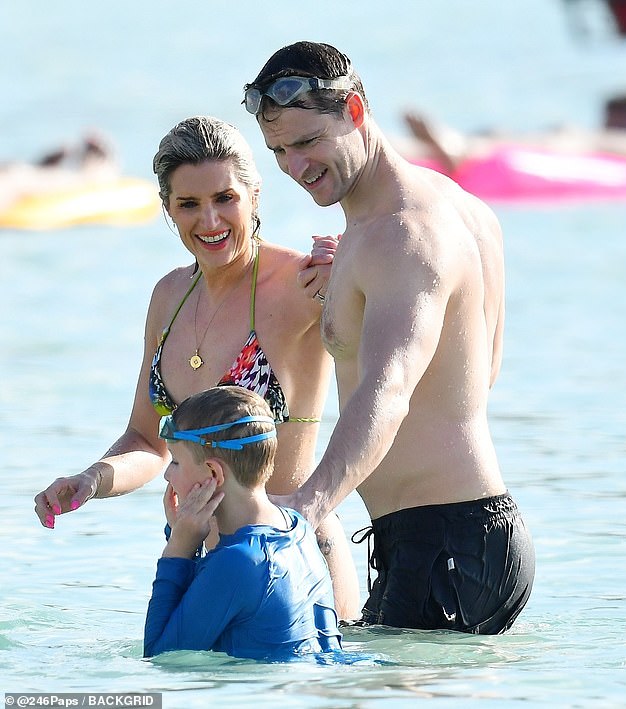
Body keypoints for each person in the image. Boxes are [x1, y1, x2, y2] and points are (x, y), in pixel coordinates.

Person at [244, 41, 535, 634]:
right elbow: (478, 371)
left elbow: (389, 388)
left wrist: (309, 506)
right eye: (278, 152)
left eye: (306, 143)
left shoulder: (400, 235)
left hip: (443, 546)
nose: (295, 168)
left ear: (354, 110)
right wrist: (357, 293)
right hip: (468, 540)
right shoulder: (458, 208)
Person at [33, 115, 359, 620]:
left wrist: (355, 274)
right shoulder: (169, 296)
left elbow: (396, 358)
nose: (209, 221)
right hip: (196, 565)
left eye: (225, 198)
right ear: (168, 209)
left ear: (254, 194)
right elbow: (146, 442)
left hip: (289, 562)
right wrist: (91, 480)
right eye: (189, 204)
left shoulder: (303, 285)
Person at [143, 385, 342, 659]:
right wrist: (182, 534)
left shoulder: (239, 561)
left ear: (213, 471)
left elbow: (161, 656)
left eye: (175, 462)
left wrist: (177, 548)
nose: (167, 476)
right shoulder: (299, 529)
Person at [400, 94, 626, 175]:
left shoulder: (618, 141)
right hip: (555, 139)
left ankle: (458, 150)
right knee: (499, 135)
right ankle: (455, 147)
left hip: (567, 143)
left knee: (562, 140)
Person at [0, 133, 118, 211]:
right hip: (26, 175)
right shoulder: (72, 176)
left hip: (27, 178)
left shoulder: (76, 178)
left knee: (15, 180)